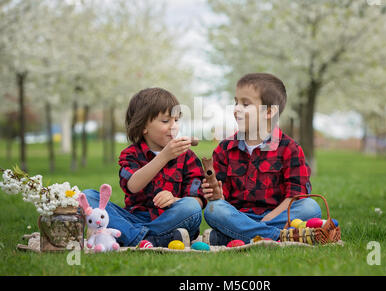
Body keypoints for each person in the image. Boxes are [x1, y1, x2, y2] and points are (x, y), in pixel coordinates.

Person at [201, 73, 321, 245]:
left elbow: (295, 195)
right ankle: (276, 237)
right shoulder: (224, 149)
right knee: (213, 210)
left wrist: (267, 220)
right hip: (238, 215)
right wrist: (216, 195)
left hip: (277, 215)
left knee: (310, 207)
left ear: (270, 112)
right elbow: (221, 199)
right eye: (236, 102)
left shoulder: (290, 149)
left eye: (246, 104)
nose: (236, 109)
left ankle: (235, 236)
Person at [83, 88, 205, 247]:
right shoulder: (130, 154)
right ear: (143, 127)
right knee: (88, 196)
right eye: (166, 121)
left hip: (170, 219)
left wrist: (175, 200)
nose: (173, 126)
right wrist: (164, 156)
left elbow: (198, 200)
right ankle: (153, 239)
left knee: (191, 207)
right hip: (133, 218)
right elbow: (133, 186)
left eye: (176, 120)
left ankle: (131, 236)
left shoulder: (187, 157)